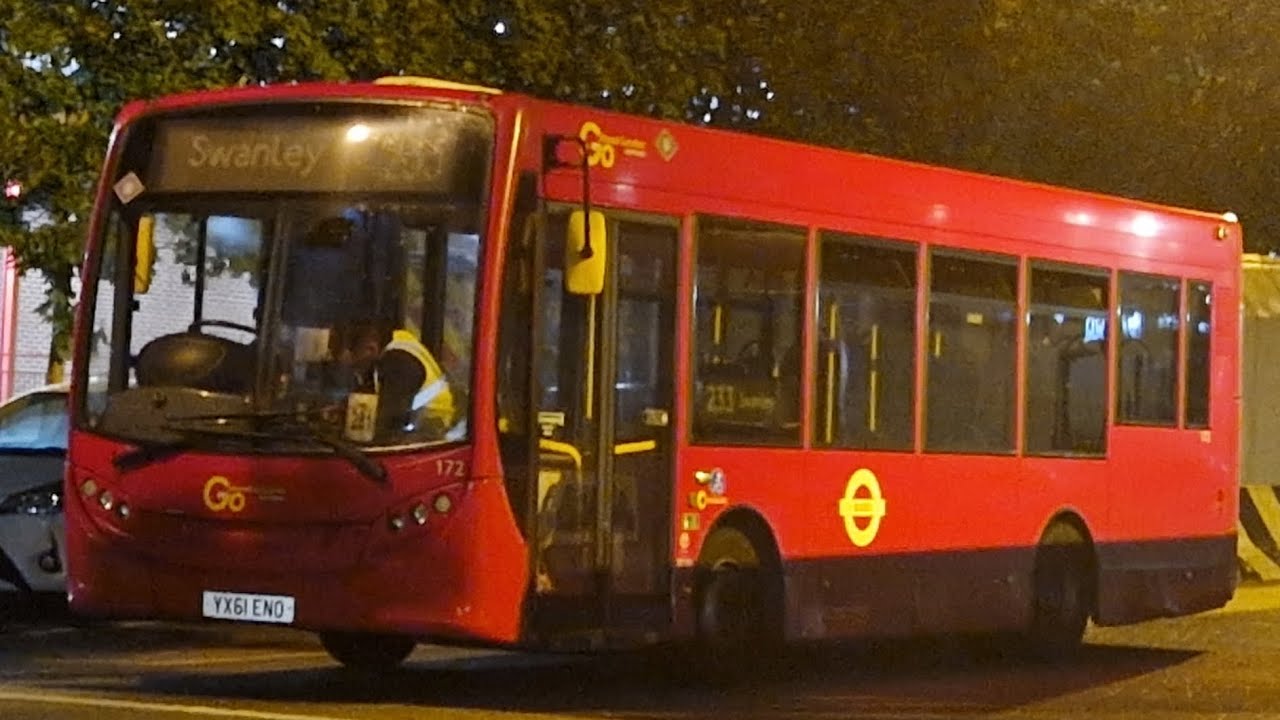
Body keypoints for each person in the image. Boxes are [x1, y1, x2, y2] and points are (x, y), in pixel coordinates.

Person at [330, 319, 455, 438]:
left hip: (431, 429)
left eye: (357, 366)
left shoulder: (398, 362)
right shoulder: (395, 345)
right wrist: (344, 410)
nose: (357, 372)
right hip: (422, 425)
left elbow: (389, 421)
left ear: (370, 348)